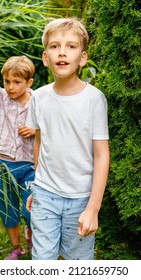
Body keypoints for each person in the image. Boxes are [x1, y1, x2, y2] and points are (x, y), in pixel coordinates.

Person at [25, 18, 110, 260]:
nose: (62, 52)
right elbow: (40, 143)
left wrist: (93, 208)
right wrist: (37, 185)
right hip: (45, 195)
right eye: (55, 46)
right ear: (45, 57)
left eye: (71, 46)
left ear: (82, 58)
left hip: (81, 200)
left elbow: (102, 155)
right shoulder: (38, 98)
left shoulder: (94, 99)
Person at [0, 32, 35, 260]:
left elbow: (50, 129)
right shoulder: (2, 98)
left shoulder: (38, 102)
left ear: (29, 82)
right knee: (8, 210)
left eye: (17, 82)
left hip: (30, 166)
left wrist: (35, 130)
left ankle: (33, 238)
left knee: (30, 210)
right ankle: (16, 248)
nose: (10, 87)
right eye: (7, 81)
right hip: (5, 165)